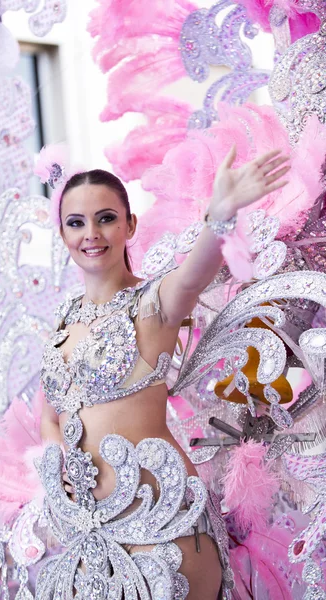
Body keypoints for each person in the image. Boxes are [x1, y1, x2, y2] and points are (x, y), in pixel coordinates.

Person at [37, 146, 290, 600]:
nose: (91, 234)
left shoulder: (153, 304)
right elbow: (49, 417)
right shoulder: (62, 322)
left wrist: (221, 214)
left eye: (107, 218)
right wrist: (61, 464)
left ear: (130, 225)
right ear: (62, 233)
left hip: (161, 528)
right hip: (91, 539)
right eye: (76, 222)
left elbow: (194, 276)